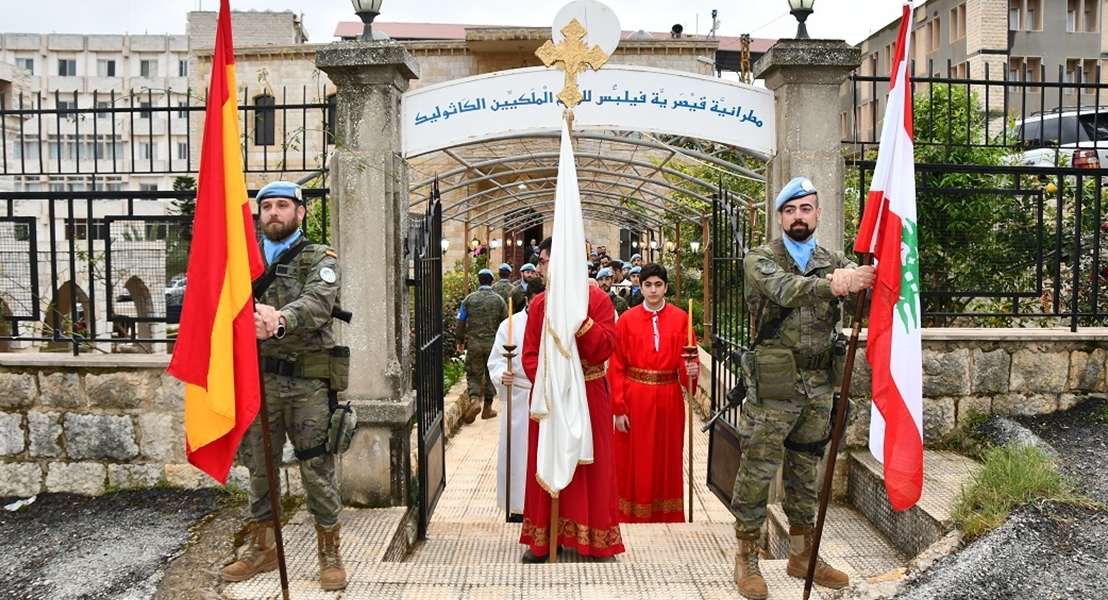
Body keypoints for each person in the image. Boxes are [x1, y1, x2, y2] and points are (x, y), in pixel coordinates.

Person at [730, 177, 875, 599]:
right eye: (790, 211)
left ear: (818, 214)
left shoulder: (834, 259)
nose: (798, 217)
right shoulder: (760, 259)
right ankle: (746, 558)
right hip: (774, 387)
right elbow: (784, 290)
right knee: (757, 470)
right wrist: (837, 284)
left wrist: (870, 276)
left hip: (818, 385)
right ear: (780, 217)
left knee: (806, 470)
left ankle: (802, 554)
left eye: (806, 209)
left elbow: (865, 295)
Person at [222, 180, 347, 590]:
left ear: (300, 212)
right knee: (261, 466)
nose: (274, 212)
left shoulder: (319, 257)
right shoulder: (243, 259)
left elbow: (318, 302)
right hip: (259, 381)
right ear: (258, 215)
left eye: (282, 206)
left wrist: (280, 320)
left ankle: (329, 551)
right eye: (267, 207)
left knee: (315, 465)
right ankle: (263, 547)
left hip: (307, 384)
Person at [519, 237, 624, 563]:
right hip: (550, 398)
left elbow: (605, 346)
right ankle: (544, 539)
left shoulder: (599, 301)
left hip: (590, 394)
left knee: (592, 467)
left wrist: (580, 319)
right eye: (541, 262)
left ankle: (595, 540)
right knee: (547, 460)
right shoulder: (539, 305)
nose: (541, 269)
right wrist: (555, 383)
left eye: (546, 261)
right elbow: (530, 355)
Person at [609, 263, 698, 523]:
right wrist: (618, 408)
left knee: (667, 457)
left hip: (669, 398)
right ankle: (631, 515)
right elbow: (615, 367)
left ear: (666, 287)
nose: (653, 290)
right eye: (648, 285)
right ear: (640, 286)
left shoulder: (682, 319)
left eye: (658, 284)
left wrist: (690, 370)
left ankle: (667, 515)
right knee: (633, 460)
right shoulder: (626, 320)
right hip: (635, 398)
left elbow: (687, 359)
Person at [487, 278, 546, 522]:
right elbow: (496, 360)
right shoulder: (510, 325)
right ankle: (518, 506)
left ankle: (545, 506)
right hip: (521, 394)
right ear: (528, 300)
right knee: (519, 452)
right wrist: (503, 375)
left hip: (547, 395)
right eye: (537, 302)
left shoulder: (554, 322)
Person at [457, 269, 508, 424]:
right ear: (492, 282)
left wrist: (460, 341)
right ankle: (487, 408)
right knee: (491, 374)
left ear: (478, 281)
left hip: (474, 344)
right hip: (493, 344)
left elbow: (460, 321)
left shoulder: (469, 300)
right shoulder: (499, 300)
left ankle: (474, 400)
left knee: (473, 374)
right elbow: (506, 323)